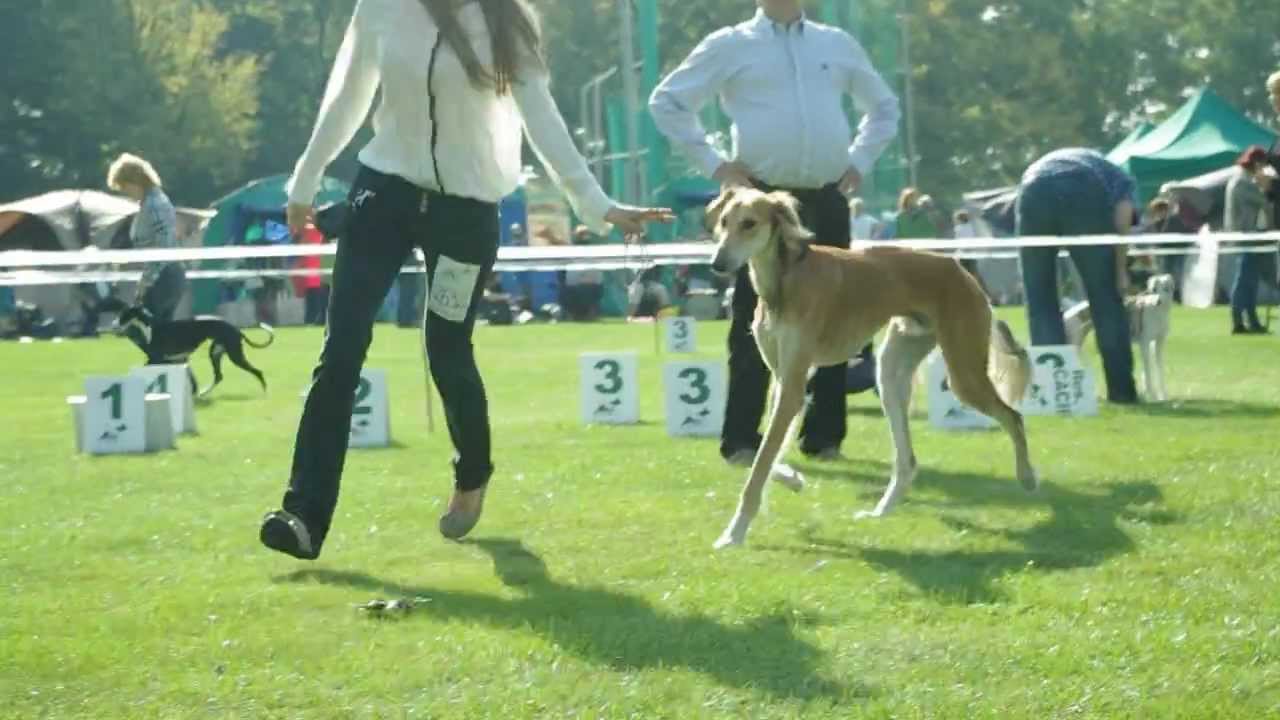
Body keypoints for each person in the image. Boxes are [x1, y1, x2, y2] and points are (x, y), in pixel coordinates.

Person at [259, 0, 673, 560]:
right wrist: (304, 180)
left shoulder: (507, 19)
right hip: (383, 192)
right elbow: (350, 91)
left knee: (446, 349)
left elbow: (540, 113)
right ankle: (303, 516)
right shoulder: (381, 8)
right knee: (342, 349)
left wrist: (595, 203)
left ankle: (472, 474)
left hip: (467, 208)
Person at [650, 0, 900, 464]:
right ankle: (742, 440)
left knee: (835, 315)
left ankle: (824, 439)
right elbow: (667, 101)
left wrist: (860, 161)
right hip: (759, 201)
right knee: (753, 316)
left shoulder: (836, 43)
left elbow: (884, 107)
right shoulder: (730, 44)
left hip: (826, 199)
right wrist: (716, 165)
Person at [1015, 147, 1139, 404]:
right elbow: (1123, 223)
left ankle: (1051, 392)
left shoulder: (1093, 164)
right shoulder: (1122, 180)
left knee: (1040, 298)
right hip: (1082, 187)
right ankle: (1122, 392)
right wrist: (1120, 272)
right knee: (1105, 297)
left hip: (1032, 185)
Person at [107, 153, 186, 328]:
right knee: (159, 338)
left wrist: (147, 281)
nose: (125, 192)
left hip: (164, 277)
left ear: (136, 182)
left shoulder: (154, 204)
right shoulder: (149, 203)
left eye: (124, 186)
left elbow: (163, 245)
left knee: (149, 333)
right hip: (163, 275)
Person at [1224, 146, 1273, 335]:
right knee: (1244, 279)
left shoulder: (1243, 180)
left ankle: (1251, 320)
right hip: (1245, 237)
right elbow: (1264, 200)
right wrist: (1265, 185)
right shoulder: (1242, 182)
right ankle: (1238, 321)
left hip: (1251, 236)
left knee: (1250, 280)